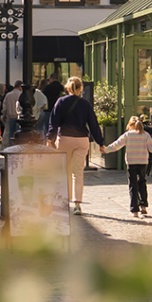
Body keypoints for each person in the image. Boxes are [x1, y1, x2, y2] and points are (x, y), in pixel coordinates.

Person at [47, 75, 105, 213]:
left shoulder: (60, 102)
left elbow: (53, 122)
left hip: (65, 139)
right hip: (81, 140)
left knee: (64, 172)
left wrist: (50, 138)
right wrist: (100, 142)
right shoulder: (85, 104)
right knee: (78, 173)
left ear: (67, 88)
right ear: (80, 89)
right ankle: (77, 204)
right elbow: (93, 124)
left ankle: (64, 201)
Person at [104, 115, 152, 216]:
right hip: (143, 163)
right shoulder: (145, 135)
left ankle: (134, 209)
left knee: (133, 185)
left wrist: (106, 149)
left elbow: (117, 145)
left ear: (130, 125)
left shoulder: (127, 135)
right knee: (142, 183)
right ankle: (144, 206)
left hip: (131, 163)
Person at [1, 81, 23, 148]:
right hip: (18, 116)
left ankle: (11, 146)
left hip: (10, 115)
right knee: (17, 133)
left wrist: (4, 113)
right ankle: (17, 146)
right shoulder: (21, 94)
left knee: (10, 133)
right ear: (20, 87)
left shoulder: (8, 95)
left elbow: (4, 106)